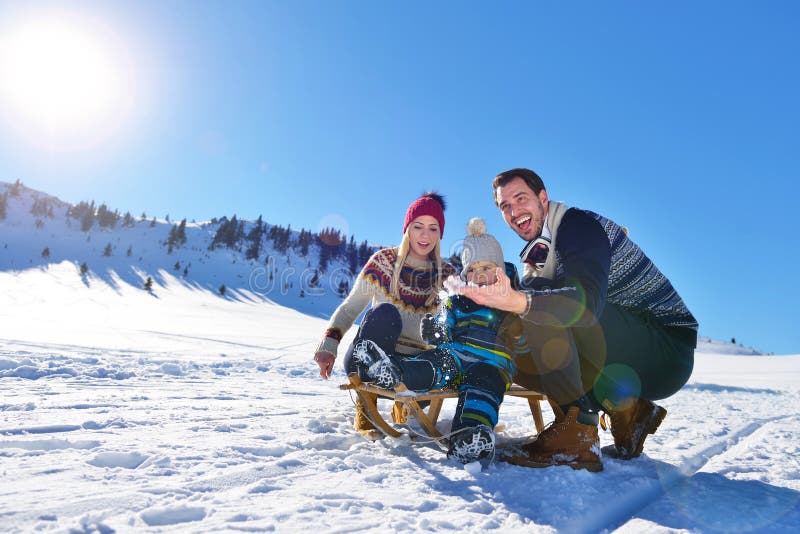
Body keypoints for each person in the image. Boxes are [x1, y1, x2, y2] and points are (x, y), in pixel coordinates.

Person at [456, 168, 698, 472]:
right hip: (629, 357)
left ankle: (577, 433)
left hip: (666, 349)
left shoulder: (578, 227)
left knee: (537, 302)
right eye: (505, 206)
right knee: (510, 341)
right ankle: (626, 410)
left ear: (543, 199)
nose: (515, 211)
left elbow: (587, 305)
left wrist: (521, 300)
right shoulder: (537, 256)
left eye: (521, 199)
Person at [352, 218, 529, 464]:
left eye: (486, 268)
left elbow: (523, 342)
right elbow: (445, 330)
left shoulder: (512, 301)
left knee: (483, 388)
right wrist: (434, 331)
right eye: (473, 270)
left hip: (493, 363)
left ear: (500, 269)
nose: (479, 276)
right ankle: (393, 371)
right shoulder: (458, 300)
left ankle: (469, 436)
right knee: (434, 363)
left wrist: (518, 334)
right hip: (456, 354)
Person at [313, 192, 457, 434]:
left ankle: (407, 403)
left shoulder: (447, 275)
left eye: (433, 228)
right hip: (368, 358)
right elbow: (350, 308)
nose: (425, 235)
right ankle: (366, 405)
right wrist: (328, 345)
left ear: (440, 234)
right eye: (418, 226)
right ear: (407, 229)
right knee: (385, 313)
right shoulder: (383, 263)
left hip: (413, 368)